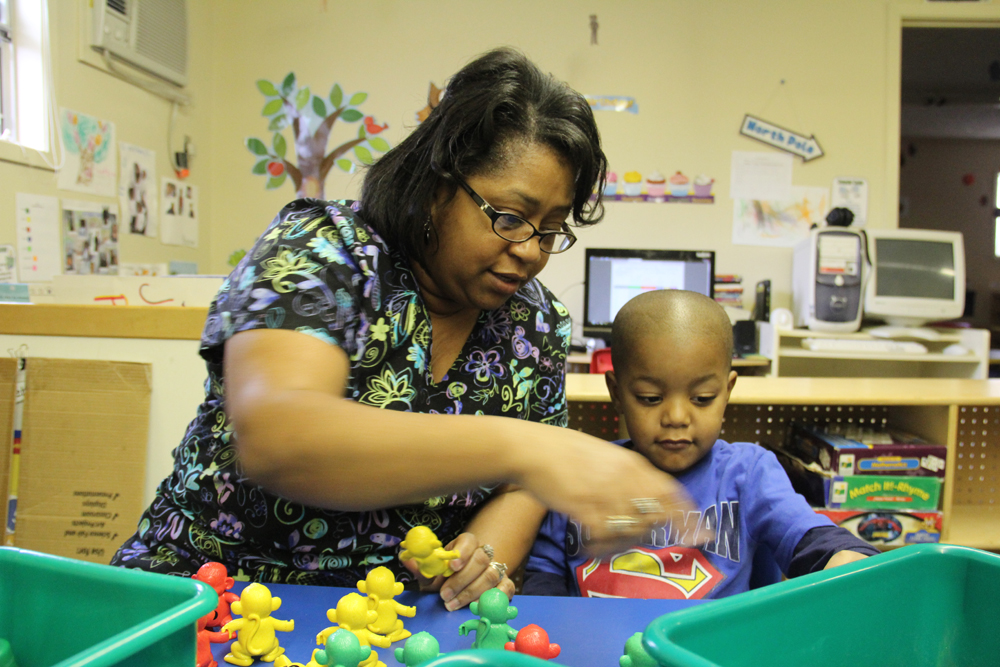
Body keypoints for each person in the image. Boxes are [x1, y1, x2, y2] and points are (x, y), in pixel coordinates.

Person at [110, 47, 692, 611]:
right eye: (511, 219)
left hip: (394, 623)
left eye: (551, 229)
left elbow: (524, 488)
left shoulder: (535, 323)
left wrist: (484, 557)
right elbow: (278, 436)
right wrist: (529, 447)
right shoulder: (324, 254)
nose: (531, 252)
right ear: (439, 184)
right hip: (212, 601)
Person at [523, 290, 879, 598]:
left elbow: (805, 536)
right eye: (649, 398)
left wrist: (844, 555)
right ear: (617, 393)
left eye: (702, 398)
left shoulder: (748, 473)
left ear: (728, 392)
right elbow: (544, 572)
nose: (677, 416)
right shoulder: (581, 473)